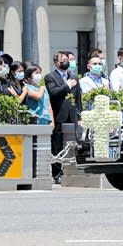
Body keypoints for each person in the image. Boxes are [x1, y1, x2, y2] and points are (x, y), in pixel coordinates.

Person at [45, 51, 81, 183]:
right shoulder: (50, 77)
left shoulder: (73, 77)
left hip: (72, 115)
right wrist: (67, 86)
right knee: (57, 145)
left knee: (73, 143)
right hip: (59, 114)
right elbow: (53, 92)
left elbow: (78, 98)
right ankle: (56, 173)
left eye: (68, 60)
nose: (66, 62)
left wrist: (79, 113)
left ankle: (72, 171)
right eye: (63, 60)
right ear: (56, 62)